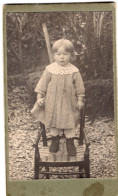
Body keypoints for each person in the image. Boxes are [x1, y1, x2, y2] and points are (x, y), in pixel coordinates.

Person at [31, 39, 85, 156]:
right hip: (52, 103)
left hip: (69, 104)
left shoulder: (74, 71)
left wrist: (80, 99)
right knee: (53, 121)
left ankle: (70, 142)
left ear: (71, 55)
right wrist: (39, 97)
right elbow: (42, 85)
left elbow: (79, 88)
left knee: (70, 121)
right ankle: (55, 140)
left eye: (65, 54)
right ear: (53, 55)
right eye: (58, 54)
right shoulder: (50, 70)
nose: (62, 57)